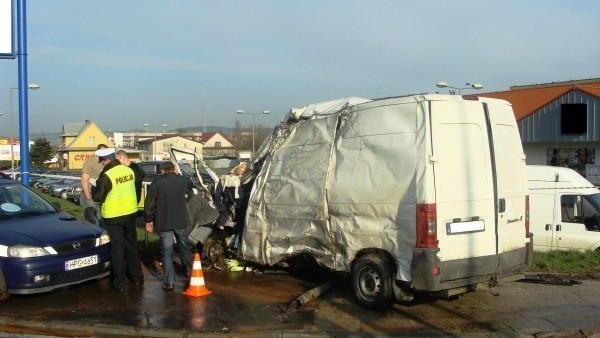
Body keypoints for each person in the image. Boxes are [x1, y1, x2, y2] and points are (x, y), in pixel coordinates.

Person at [92, 147, 144, 292]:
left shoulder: (106, 175)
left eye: (101, 161)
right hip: (130, 213)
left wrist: (93, 188)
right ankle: (137, 278)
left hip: (113, 216)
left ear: (107, 160)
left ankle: (120, 282)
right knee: (132, 246)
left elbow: (98, 197)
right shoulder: (129, 171)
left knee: (117, 248)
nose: (101, 164)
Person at [144, 161, 194, 291]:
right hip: (181, 220)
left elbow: (150, 204)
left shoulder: (156, 183)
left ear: (162, 171)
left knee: (166, 252)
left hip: (164, 221)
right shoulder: (183, 181)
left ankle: (169, 282)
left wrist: (148, 220)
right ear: (174, 169)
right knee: (184, 247)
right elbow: (191, 188)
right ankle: (189, 273)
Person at [80, 143, 108, 227]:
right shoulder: (90, 163)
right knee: (92, 220)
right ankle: (93, 238)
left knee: (101, 218)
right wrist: (88, 198)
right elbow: (84, 180)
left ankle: (103, 238)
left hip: (100, 195)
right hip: (90, 195)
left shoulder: (105, 163)